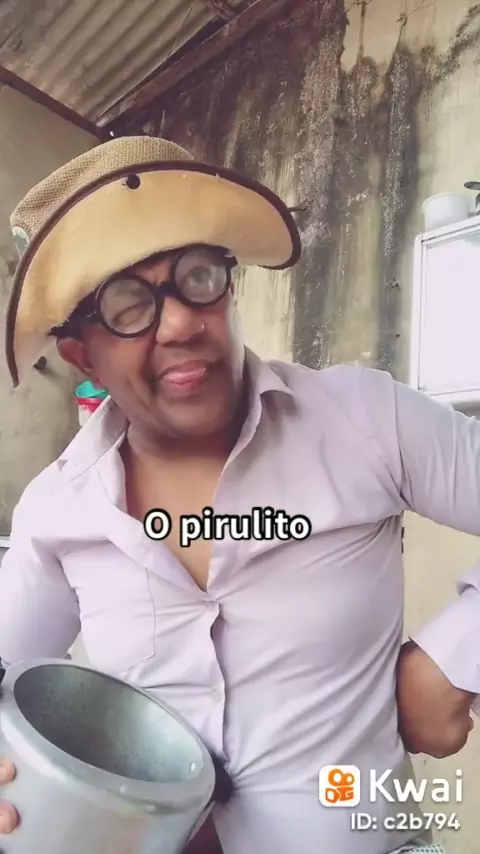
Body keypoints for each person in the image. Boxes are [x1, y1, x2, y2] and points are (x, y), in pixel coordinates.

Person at [0, 135, 479, 854]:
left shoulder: (365, 420)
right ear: (80, 353)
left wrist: (450, 661)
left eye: (197, 276)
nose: (181, 323)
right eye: (126, 304)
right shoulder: (56, 511)